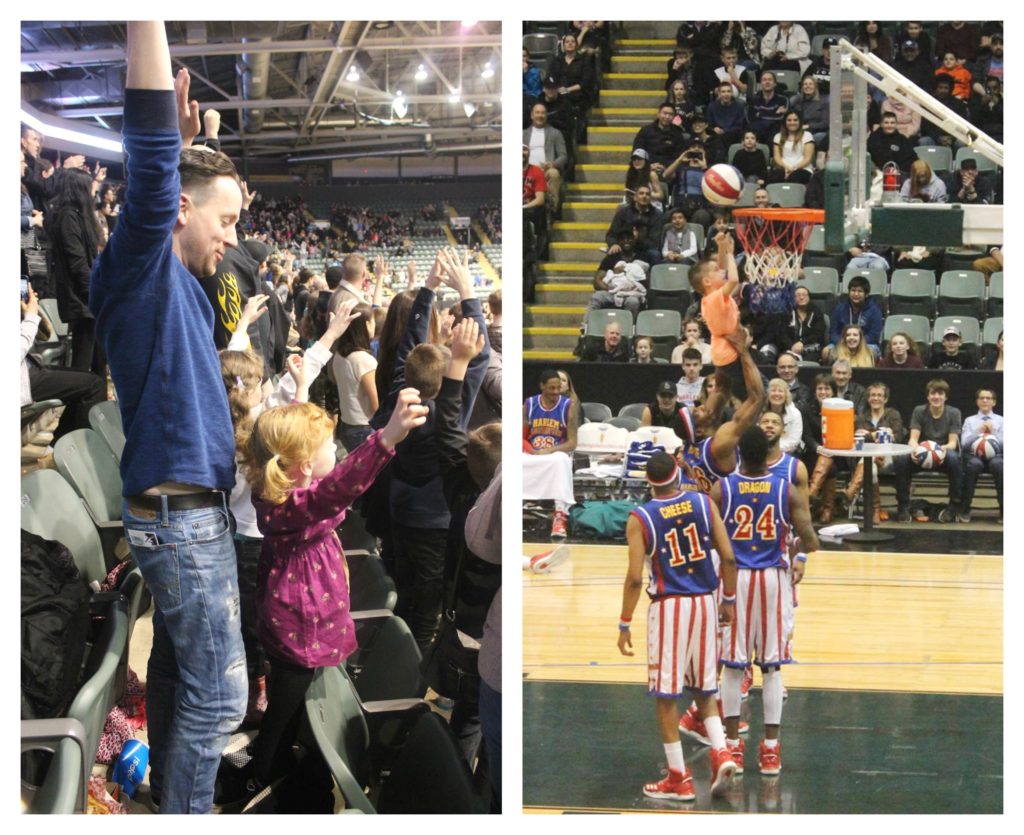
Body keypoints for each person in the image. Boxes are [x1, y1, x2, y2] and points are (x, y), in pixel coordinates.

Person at [87, 24, 248, 812]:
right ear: (176, 210)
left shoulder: (179, 281)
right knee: (222, 698)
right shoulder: (139, 265)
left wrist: (197, 150)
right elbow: (152, 163)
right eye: (226, 219)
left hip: (189, 511)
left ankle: (177, 806)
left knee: (188, 681)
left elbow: (224, 317)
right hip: (180, 519)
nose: (233, 236)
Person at [219, 390, 427, 805]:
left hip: (292, 622)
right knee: (285, 707)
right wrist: (384, 441)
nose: (337, 450)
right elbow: (338, 488)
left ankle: (277, 758)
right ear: (304, 467)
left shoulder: (286, 498)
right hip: (298, 626)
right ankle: (264, 775)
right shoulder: (295, 506)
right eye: (329, 446)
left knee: (291, 700)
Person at [617, 452, 739, 801]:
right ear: (676, 474)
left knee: (666, 695)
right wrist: (728, 600)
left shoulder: (640, 517)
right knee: (704, 688)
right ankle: (721, 752)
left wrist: (624, 622)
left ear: (648, 481)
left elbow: (635, 579)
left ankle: (678, 777)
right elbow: (728, 557)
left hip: (670, 607)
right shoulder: (702, 502)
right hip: (705, 602)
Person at [715, 426, 818, 776]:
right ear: (769, 454)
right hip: (773, 579)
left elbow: (705, 536)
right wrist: (794, 547)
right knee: (772, 667)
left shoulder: (722, 488)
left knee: (732, 665)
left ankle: (732, 746)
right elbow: (811, 540)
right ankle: (771, 750)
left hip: (736, 579)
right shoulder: (785, 489)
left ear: (740, 454)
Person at [21, 282, 106, 441]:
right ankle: (79, 448)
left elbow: (43, 334)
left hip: (29, 369)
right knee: (93, 386)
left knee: (92, 380)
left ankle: (60, 444)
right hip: (22, 379)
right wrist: (31, 317)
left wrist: (26, 309)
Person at [46, 166, 108, 379]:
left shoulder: (77, 216)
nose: (93, 190)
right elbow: (77, 263)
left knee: (98, 361)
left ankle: (93, 406)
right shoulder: (68, 217)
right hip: (82, 301)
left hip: (87, 301)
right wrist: (96, 294)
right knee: (83, 366)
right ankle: (79, 410)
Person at [892, 379, 964, 523]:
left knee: (954, 459)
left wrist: (939, 450)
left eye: (940, 393)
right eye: (933, 393)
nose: (936, 397)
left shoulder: (954, 413)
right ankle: (903, 505)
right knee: (901, 459)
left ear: (946, 397)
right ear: (928, 396)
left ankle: (954, 506)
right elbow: (913, 439)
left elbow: (952, 443)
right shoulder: (919, 410)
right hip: (921, 454)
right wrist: (914, 449)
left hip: (943, 454)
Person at [687, 232, 746, 398]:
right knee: (750, 396)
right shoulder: (714, 298)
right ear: (707, 281)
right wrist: (729, 253)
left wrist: (722, 246)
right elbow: (733, 279)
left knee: (747, 396)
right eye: (715, 271)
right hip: (729, 352)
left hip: (726, 351)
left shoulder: (711, 296)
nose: (721, 271)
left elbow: (722, 267)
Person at [842, 381, 907, 523]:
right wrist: (873, 436)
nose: (875, 398)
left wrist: (870, 435)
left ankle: (852, 491)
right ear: (868, 398)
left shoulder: (893, 415)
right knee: (870, 466)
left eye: (879, 395)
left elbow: (899, 438)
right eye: (872, 395)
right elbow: (855, 439)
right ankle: (875, 510)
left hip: (888, 460)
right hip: (866, 461)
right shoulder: (861, 417)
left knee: (869, 459)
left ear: (885, 399)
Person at [524, 369, 578, 539]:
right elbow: (519, 435)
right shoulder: (530, 404)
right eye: (551, 388)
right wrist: (531, 450)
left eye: (558, 388)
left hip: (555, 453)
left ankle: (559, 516)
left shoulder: (568, 406)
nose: (556, 392)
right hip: (532, 453)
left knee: (560, 460)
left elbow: (572, 443)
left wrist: (547, 451)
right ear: (542, 386)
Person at [960, 388, 1003, 523]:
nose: (985, 400)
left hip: (996, 456)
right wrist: (978, 432)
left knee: (999, 465)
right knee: (973, 465)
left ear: (994, 402)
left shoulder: (1002, 421)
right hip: (974, 455)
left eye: (988, 398)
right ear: (977, 402)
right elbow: (964, 443)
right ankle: (965, 508)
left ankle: (1005, 509)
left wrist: (993, 432)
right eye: (981, 398)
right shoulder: (970, 421)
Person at [823, 276, 882, 362]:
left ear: (867, 294)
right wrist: (845, 343)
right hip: (842, 342)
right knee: (826, 351)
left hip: (866, 344)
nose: (856, 294)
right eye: (853, 290)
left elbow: (874, 335)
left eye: (860, 291)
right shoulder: (840, 308)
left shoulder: (874, 311)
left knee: (872, 352)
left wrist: (856, 343)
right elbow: (833, 332)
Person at [523, 103, 568, 215]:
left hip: (546, 170)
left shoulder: (555, 133)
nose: (540, 115)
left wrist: (552, 164)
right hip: (527, 171)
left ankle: (552, 211)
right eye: (537, 113)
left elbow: (563, 156)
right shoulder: (523, 134)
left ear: (546, 115)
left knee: (553, 173)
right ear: (532, 115)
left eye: (543, 113)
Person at [632, 102, 688, 174]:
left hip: (668, 171)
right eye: (665, 113)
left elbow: (678, 157)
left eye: (670, 114)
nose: (667, 117)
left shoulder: (677, 134)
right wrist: (649, 166)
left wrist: (665, 167)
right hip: (646, 169)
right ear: (658, 114)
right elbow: (637, 152)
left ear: (674, 117)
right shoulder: (645, 131)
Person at [766, 110, 815, 185]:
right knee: (774, 177)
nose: (792, 123)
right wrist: (786, 168)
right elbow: (777, 157)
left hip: (803, 168)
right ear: (785, 122)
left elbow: (807, 158)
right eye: (789, 120)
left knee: (794, 177)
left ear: (800, 122)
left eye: (795, 120)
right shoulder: (778, 136)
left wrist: (794, 168)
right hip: (783, 167)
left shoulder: (807, 136)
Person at [782, 285, 826, 363]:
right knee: (787, 361)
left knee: (808, 363)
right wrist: (792, 346)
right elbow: (782, 334)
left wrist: (802, 343)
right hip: (790, 347)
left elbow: (818, 334)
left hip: (811, 348)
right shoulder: (786, 313)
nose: (801, 298)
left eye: (804, 295)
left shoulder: (816, 313)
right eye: (798, 295)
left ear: (809, 297)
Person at [748, 71, 789, 145]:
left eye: (770, 80)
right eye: (764, 80)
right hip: (758, 134)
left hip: (775, 134)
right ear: (760, 84)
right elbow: (751, 120)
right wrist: (774, 113)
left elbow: (780, 118)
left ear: (775, 83)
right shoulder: (754, 100)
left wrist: (760, 114)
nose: (767, 82)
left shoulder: (783, 99)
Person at [764, 378, 803, 454]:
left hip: (789, 452)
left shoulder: (795, 413)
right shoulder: (760, 412)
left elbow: (794, 441)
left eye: (780, 391)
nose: (777, 394)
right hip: (763, 450)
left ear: (786, 395)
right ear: (768, 394)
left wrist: (772, 450)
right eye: (773, 390)